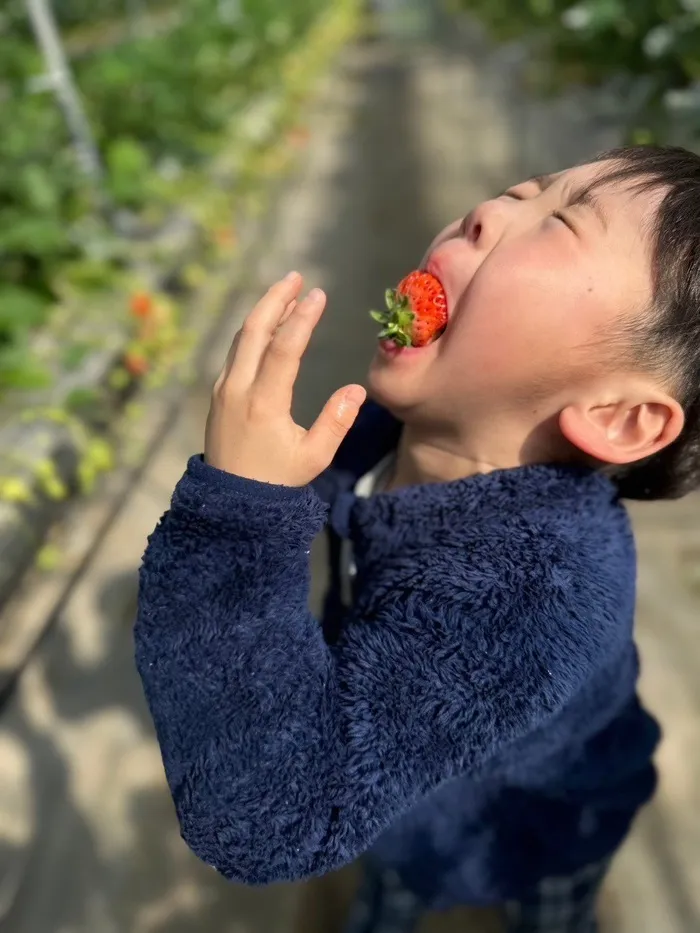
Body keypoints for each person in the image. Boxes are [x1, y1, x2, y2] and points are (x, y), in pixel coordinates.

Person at [135, 145, 700, 933]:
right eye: (517, 190)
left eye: (560, 225)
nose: (487, 211)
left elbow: (275, 819)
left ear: (617, 415)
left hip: (549, 811)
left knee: (550, 902)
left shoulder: (536, 592)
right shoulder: (380, 437)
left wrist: (237, 522)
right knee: (401, 872)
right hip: (410, 803)